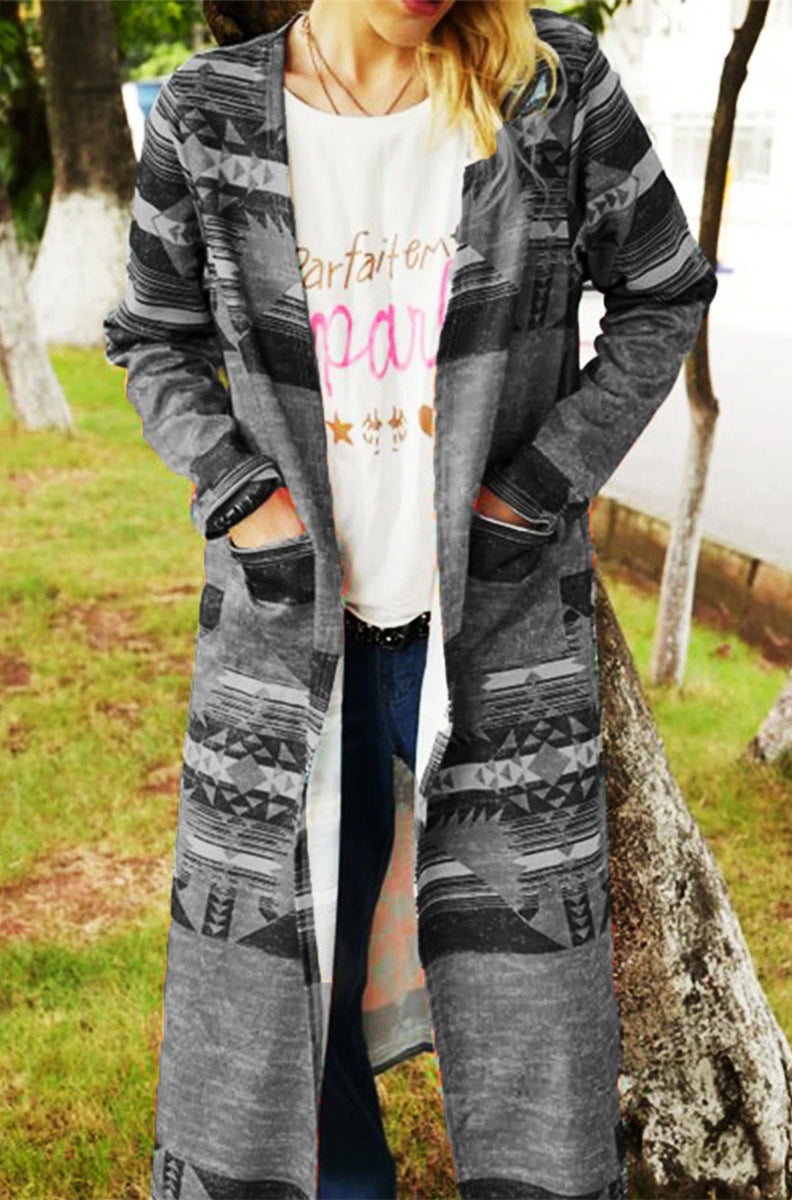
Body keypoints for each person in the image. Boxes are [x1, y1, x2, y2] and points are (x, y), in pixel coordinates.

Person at [102, 2, 718, 1198]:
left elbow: (662, 295)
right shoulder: (207, 115)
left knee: (532, 1017)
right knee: (284, 997)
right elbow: (150, 338)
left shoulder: (547, 87)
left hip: (495, 640)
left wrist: (531, 491)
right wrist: (240, 498)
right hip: (287, 644)